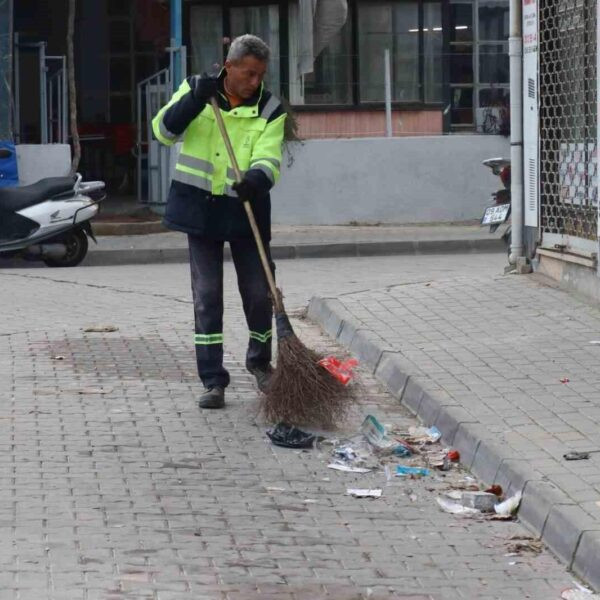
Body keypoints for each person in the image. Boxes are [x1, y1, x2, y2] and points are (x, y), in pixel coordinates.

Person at [152, 34, 286, 409]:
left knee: (260, 294)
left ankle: (260, 364)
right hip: (200, 211)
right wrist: (195, 97)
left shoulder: (270, 109)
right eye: (248, 73)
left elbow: (269, 157)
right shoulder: (197, 91)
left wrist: (256, 180)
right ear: (229, 67)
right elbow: (162, 132)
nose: (255, 82)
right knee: (207, 298)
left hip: (247, 212)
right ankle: (213, 380)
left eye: (260, 75)